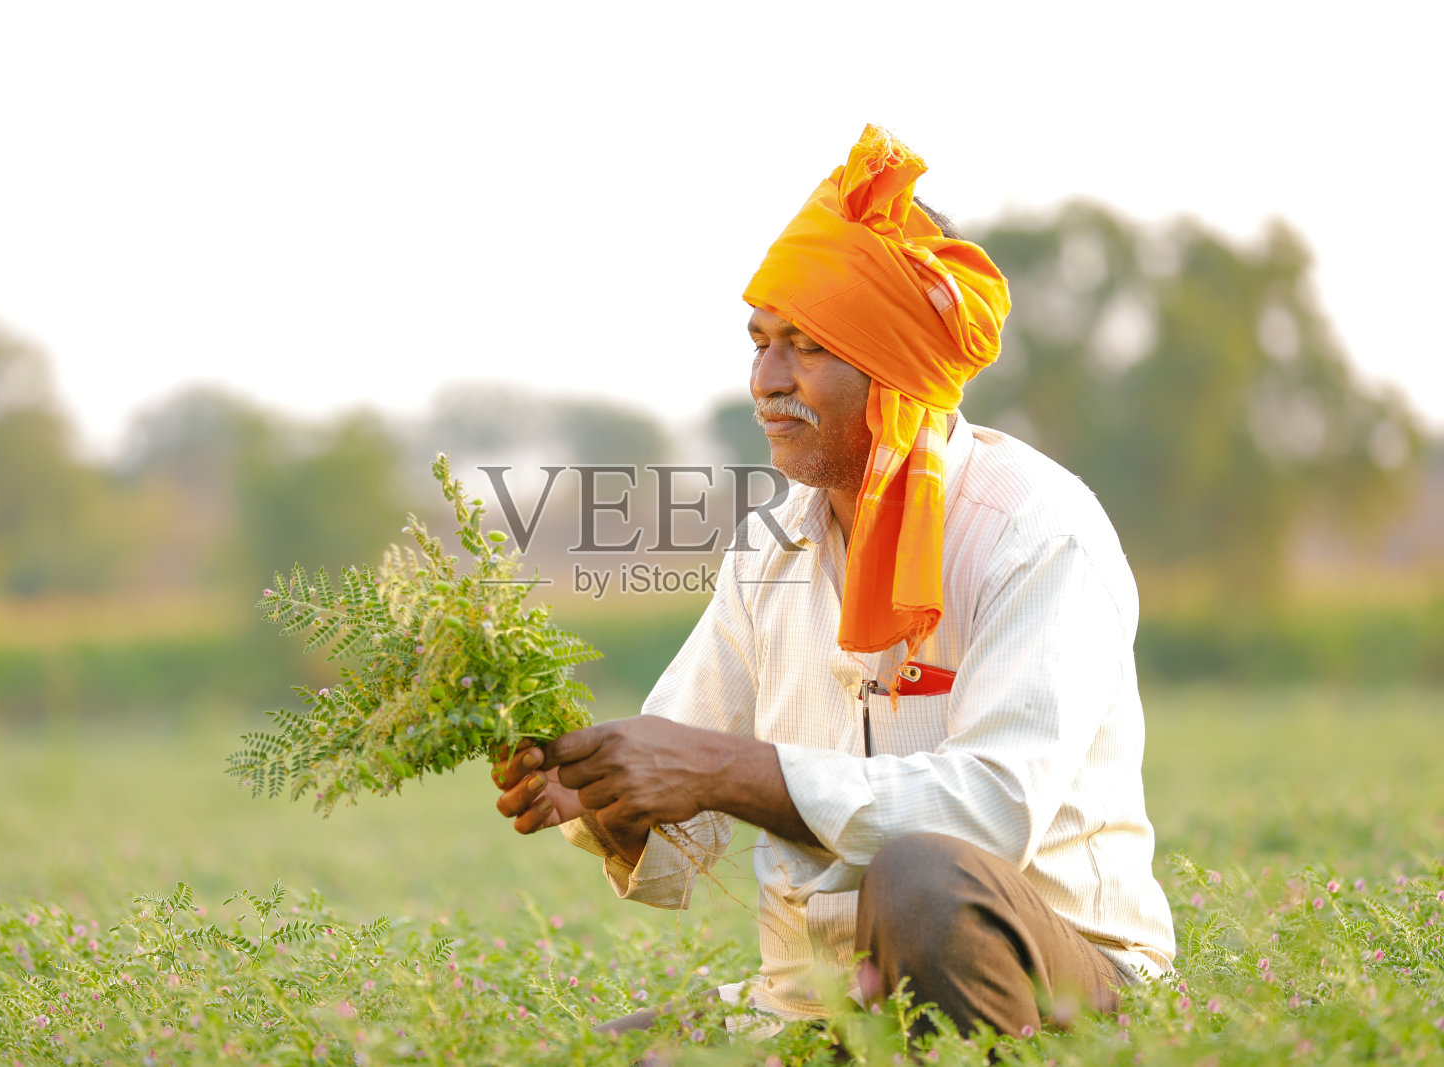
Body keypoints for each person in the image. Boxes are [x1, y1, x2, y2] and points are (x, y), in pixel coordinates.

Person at [491, 125, 1175, 1040]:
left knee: (926, 881)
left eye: (805, 348)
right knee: (598, 1058)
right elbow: (683, 807)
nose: (766, 380)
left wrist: (722, 768)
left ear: (894, 369)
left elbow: (992, 815)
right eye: (760, 342)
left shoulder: (1038, 531)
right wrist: (605, 803)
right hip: (812, 1001)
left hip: (1057, 982)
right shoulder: (769, 546)